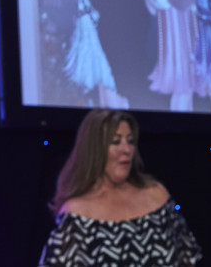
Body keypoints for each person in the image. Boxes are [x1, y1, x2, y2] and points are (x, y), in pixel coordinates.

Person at [39, 109, 201, 266]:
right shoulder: (76, 213)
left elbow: (187, 257)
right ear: (94, 149)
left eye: (130, 141)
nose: (127, 149)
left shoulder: (157, 194)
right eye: (116, 141)